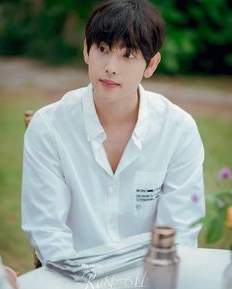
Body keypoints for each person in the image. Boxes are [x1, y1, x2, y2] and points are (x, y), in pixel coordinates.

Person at [21, 0, 205, 265]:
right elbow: (47, 230)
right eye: (103, 49)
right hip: (72, 277)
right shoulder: (49, 126)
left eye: (128, 54)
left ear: (151, 65)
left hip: (149, 278)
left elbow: (180, 233)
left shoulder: (178, 130)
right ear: (86, 50)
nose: (110, 66)